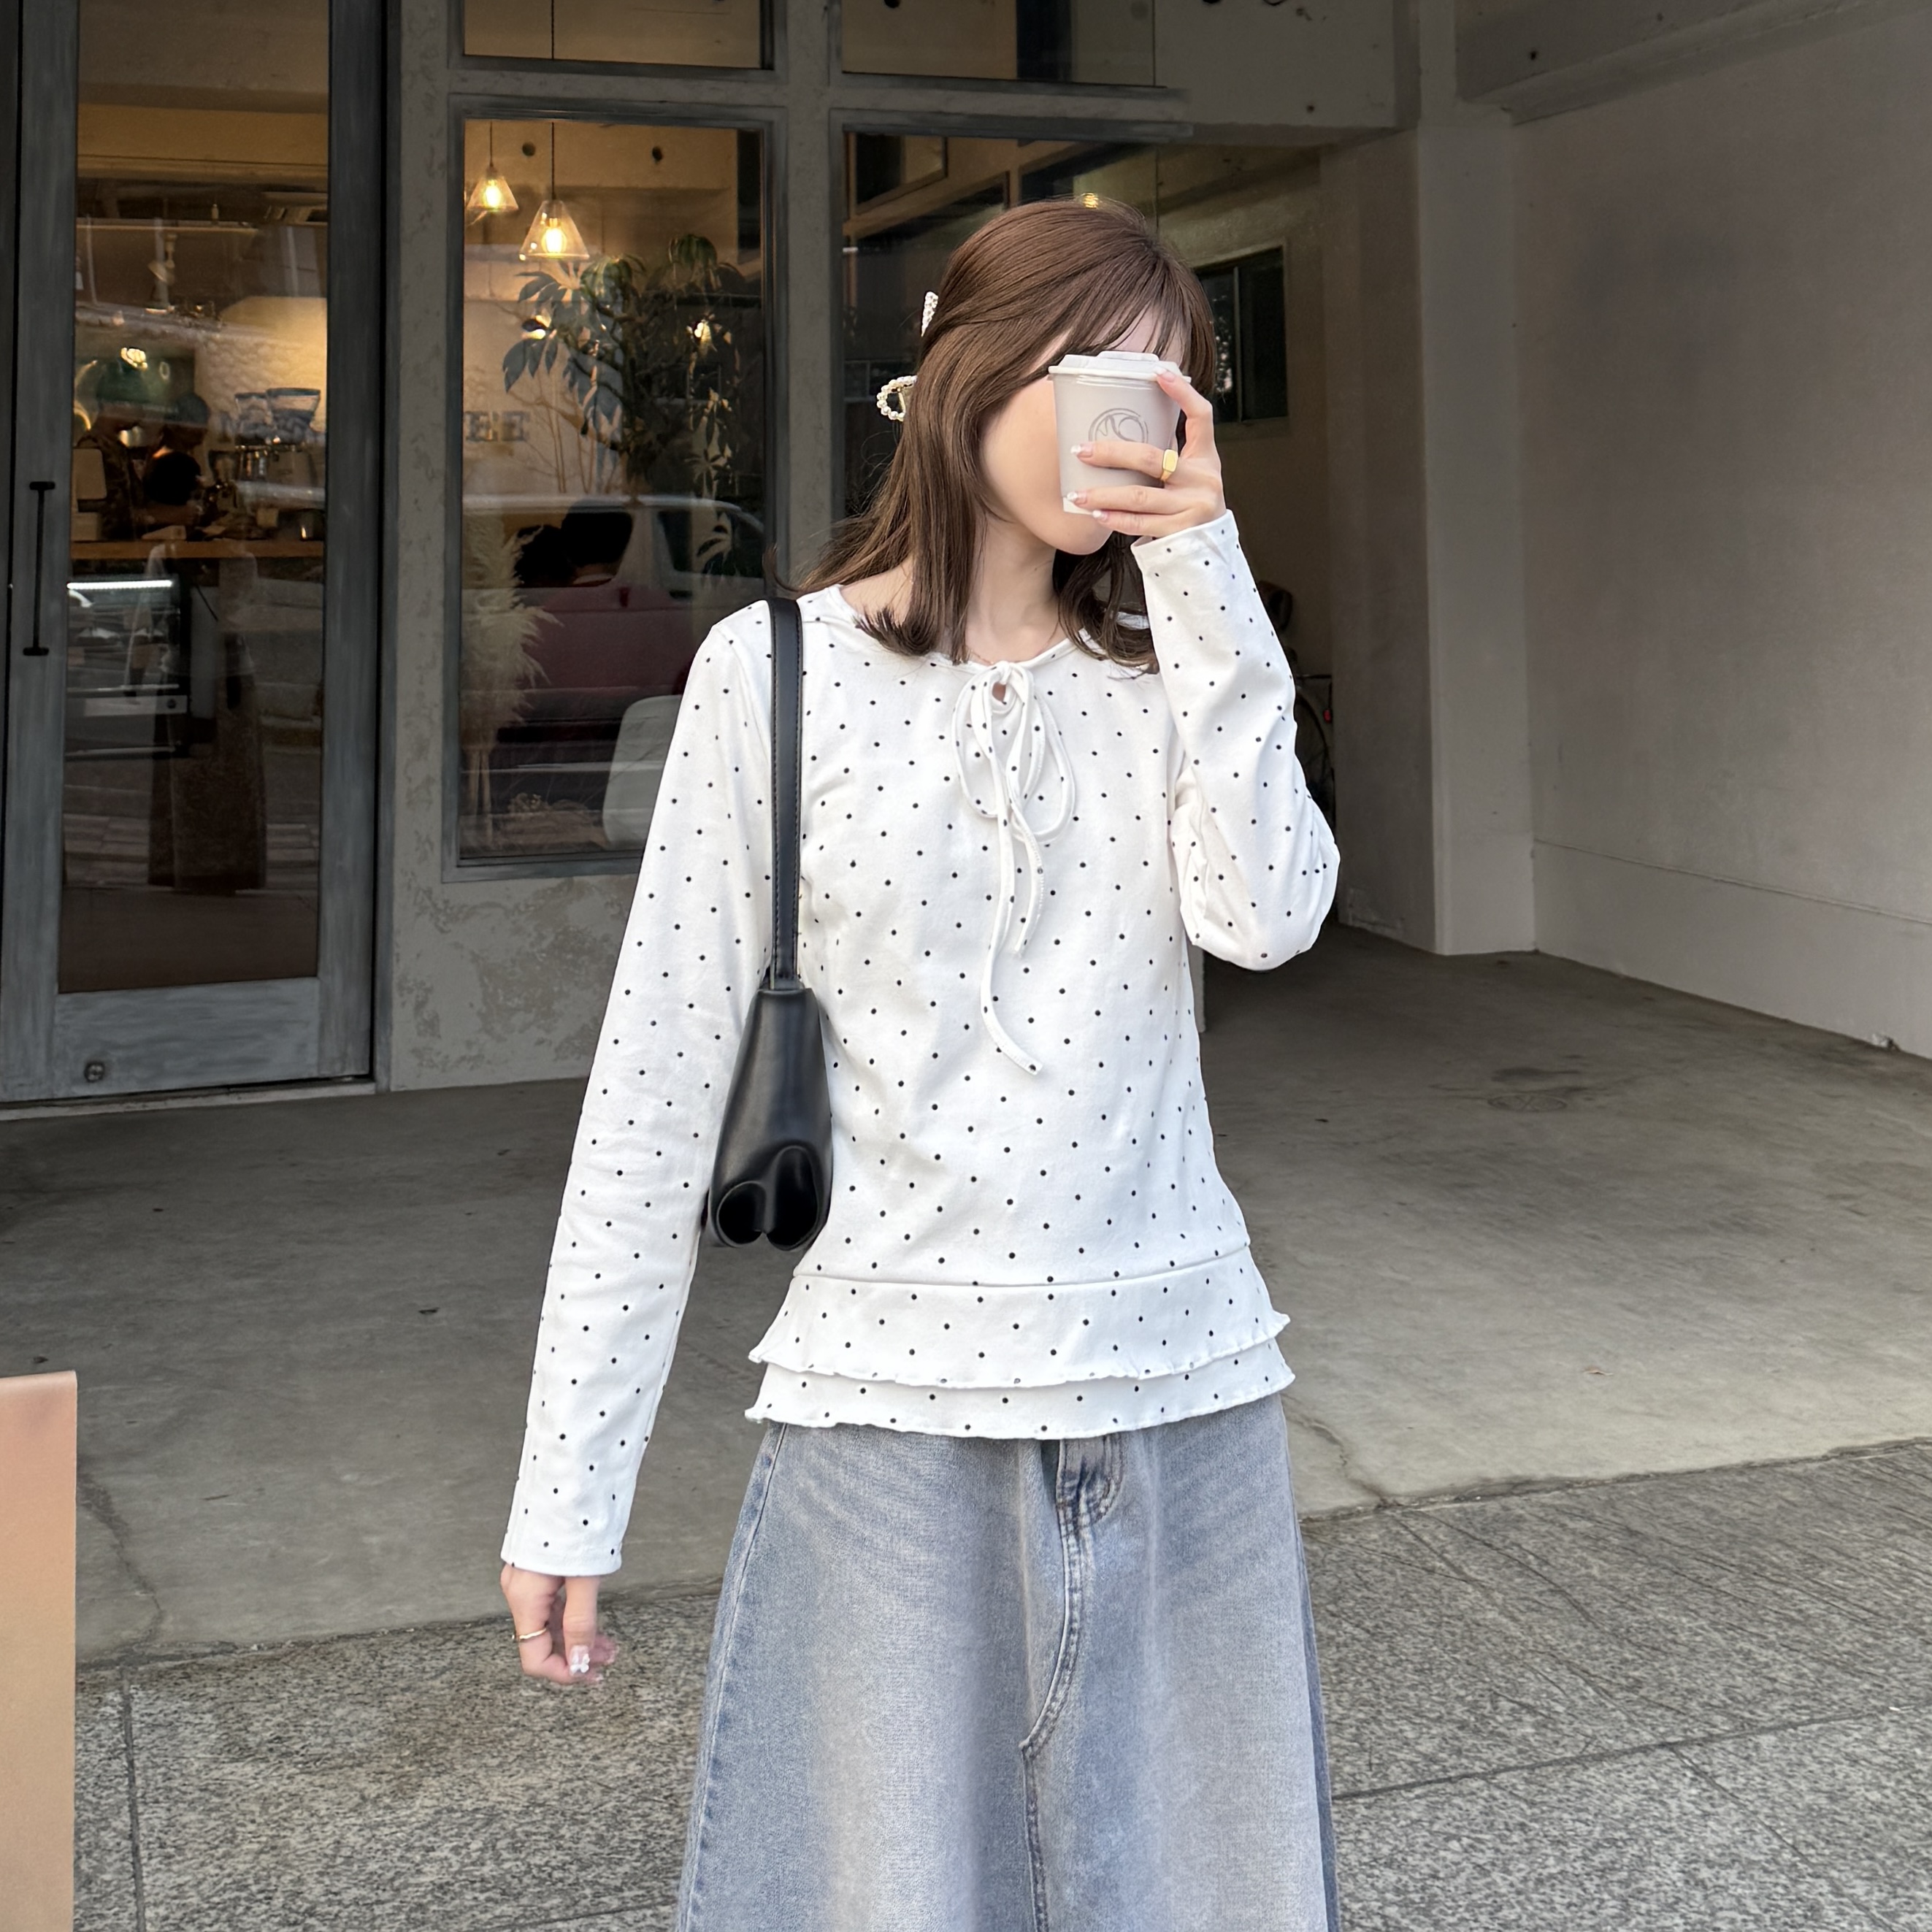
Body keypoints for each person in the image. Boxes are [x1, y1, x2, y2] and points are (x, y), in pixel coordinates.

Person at [499, 197, 1342, 1932]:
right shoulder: (773, 675)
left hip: (1182, 1392)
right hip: (885, 1420)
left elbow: (1270, 918)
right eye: (1097, 376)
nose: (1132, 425)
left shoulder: (1173, 668)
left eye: (1171, 391)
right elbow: (653, 1096)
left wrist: (1205, 580)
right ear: (966, 371)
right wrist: (568, 1487)